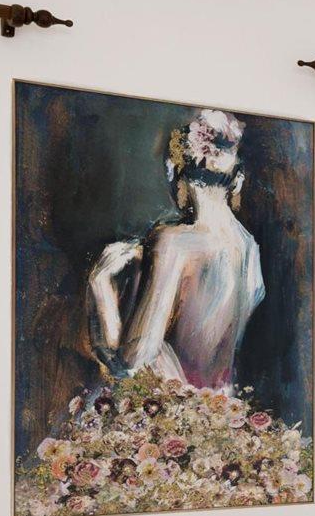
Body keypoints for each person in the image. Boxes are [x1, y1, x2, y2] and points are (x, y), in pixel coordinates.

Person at [86, 107, 266, 390]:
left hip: (173, 407)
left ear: (175, 173)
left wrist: (100, 285)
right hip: (220, 408)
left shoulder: (175, 243)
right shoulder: (249, 248)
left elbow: (132, 364)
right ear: (237, 179)